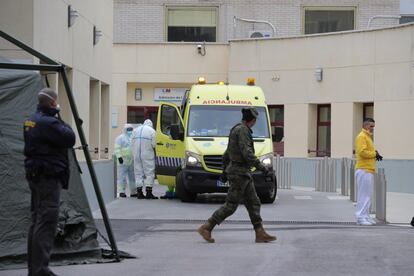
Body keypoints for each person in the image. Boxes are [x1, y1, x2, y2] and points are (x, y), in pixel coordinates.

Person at [198, 107, 276, 243]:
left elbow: (226, 154)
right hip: (239, 174)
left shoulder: (236, 129)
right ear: (252, 120)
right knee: (231, 205)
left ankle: (260, 232)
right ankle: (207, 226)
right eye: (255, 120)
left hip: (242, 173)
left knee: (253, 203)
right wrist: (262, 168)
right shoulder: (243, 131)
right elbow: (247, 153)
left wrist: (223, 171)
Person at [24, 88, 76, 276]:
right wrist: (59, 116)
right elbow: (69, 137)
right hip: (48, 177)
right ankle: (40, 270)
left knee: (37, 221)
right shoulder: (49, 122)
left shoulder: (31, 120)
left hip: (36, 176)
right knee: (46, 221)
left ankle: (34, 269)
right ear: (53, 103)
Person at [355, 118, 383, 226]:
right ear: (366, 126)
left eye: (374, 126)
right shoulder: (361, 137)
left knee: (368, 195)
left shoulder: (367, 137)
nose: (373, 128)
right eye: (371, 126)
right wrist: (374, 154)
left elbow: (368, 151)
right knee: (364, 195)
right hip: (363, 169)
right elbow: (362, 152)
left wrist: (375, 153)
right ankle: (360, 217)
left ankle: (365, 216)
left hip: (368, 169)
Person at [131, 119, 158, 199]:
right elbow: (154, 144)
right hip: (147, 155)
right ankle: (149, 192)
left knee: (138, 173)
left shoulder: (135, 130)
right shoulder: (152, 131)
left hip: (136, 155)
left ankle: (139, 192)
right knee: (149, 172)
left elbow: (131, 143)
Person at [114, 124, 136, 197]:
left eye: (131, 129)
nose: (130, 131)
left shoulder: (133, 138)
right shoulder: (120, 138)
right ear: (125, 130)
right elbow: (117, 148)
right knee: (122, 177)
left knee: (132, 177)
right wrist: (119, 157)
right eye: (128, 129)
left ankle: (133, 192)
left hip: (131, 160)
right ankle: (121, 191)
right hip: (123, 160)